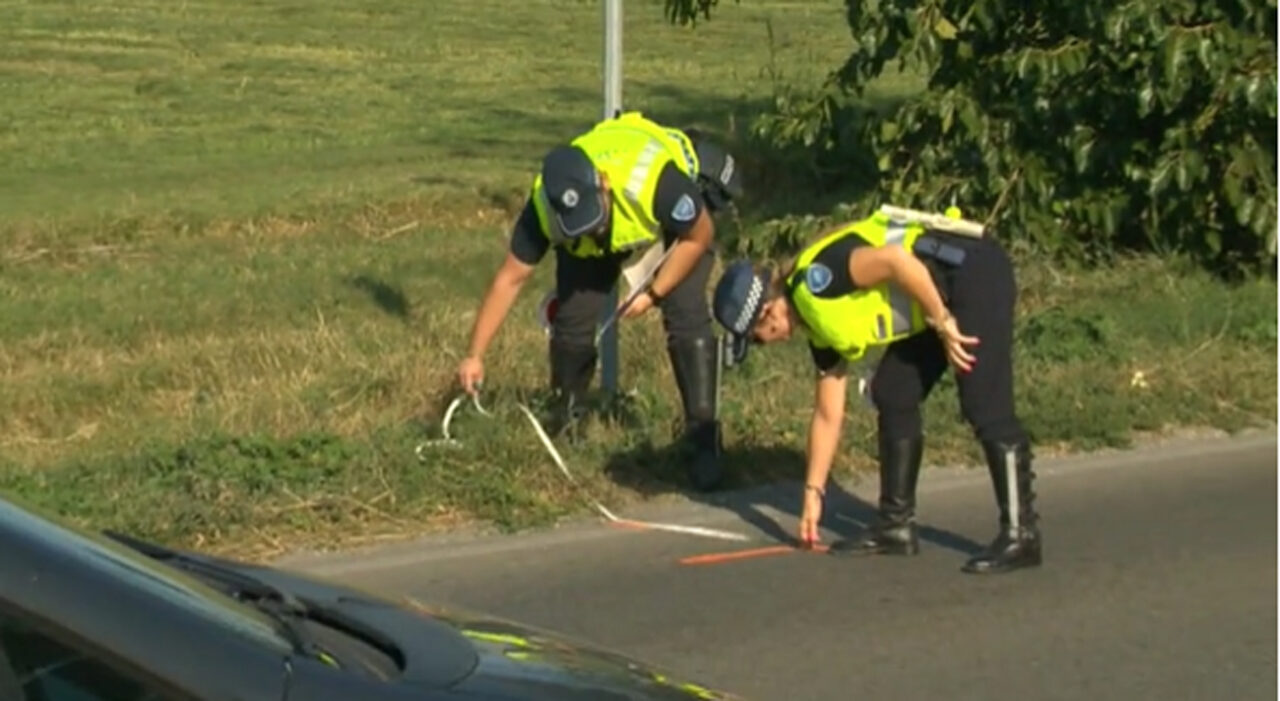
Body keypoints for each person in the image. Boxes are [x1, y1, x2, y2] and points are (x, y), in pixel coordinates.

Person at [709, 205, 1041, 574]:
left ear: (768, 313)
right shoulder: (816, 322)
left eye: (755, 340)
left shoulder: (820, 278)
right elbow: (827, 414)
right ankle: (895, 526)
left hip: (970, 274)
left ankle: (1021, 535)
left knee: (984, 404)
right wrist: (812, 494)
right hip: (933, 298)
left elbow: (898, 262)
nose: (763, 346)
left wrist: (944, 322)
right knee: (894, 392)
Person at [456, 111, 743, 491]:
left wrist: (653, 293)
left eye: (595, 219)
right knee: (573, 321)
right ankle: (566, 428)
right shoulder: (546, 205)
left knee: (685, 311)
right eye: (581, 226)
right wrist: (475, 354)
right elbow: (511, 278)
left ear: (603, 186)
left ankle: (703, 439)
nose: (595, 229)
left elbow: (699, 235)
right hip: (603, 240)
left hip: (679, 230)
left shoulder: (656, 181)